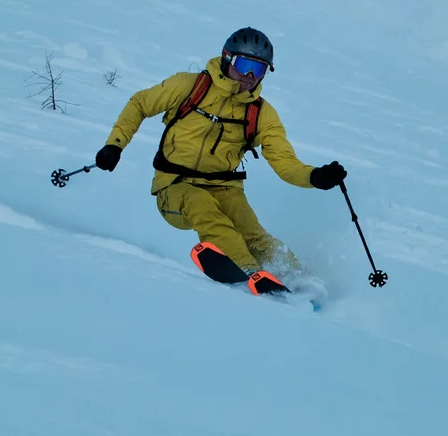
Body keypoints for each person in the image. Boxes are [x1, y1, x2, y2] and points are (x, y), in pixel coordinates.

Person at [96, 28, 347, 296]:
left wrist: (315, 176)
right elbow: (140, 104)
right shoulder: (188, 87)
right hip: (175, 185)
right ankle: (250, 273)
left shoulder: (261, 113)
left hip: (225, 188)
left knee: (253, 234)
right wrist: (114, 145)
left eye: (259, 70)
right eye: (245, 65)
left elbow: (284, 162)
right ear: (227, 59)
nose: (250, 77)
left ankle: (299, 282)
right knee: (204, 208)